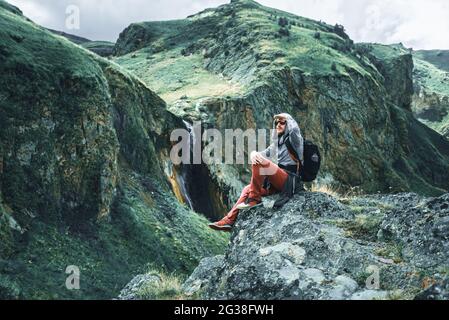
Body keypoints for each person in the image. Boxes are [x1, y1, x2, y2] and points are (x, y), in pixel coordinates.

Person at [209, 113, 304, 231]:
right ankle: (229, 220)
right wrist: (253, 153)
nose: (278, 124)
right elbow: (263, 154)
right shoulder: (277, 143)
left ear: (288, 124)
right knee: (246, 189)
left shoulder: (295, 139)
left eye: (282, 122)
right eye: (277, 123)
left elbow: (294, 127)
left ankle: (254, 199)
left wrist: (283, 116)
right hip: (278, 182)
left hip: (290, 181)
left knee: (259, 162)